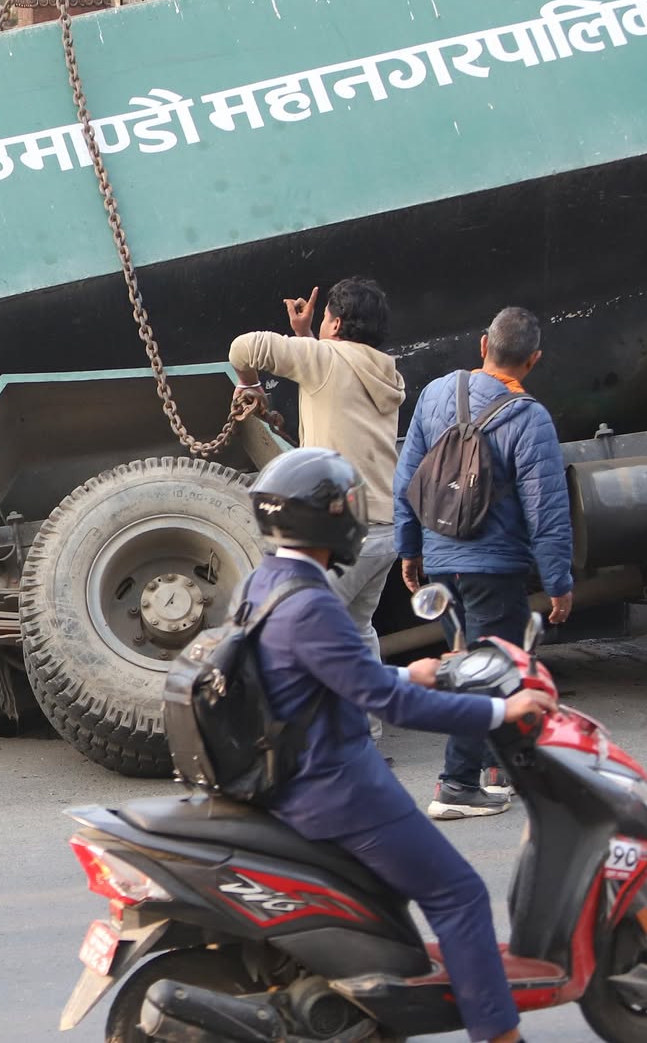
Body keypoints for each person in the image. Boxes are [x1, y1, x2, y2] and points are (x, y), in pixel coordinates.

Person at [237, 447, 554, 1043]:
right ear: (324, 521)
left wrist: (415, 671)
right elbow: (391, 707)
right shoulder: (312, 605)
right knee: (458, 893)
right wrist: (500, 709)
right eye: (346, 506)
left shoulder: (264, 585)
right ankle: (499, 1035)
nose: (355, 516)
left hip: (294, 775)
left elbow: (338, 680)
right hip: (337, 789)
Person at [395, 306, 574, 820]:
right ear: (533, 360)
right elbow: (547, 509)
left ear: (482, 346)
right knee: (482, 672)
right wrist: (558, 580)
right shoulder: (529, 417)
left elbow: (408, 478)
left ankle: (501, 770)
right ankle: (455, 784)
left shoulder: (435, 394)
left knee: (483, 664)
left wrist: (411, 549)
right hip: (492, 566)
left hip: (442, 558)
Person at [229, 278, 405, 663]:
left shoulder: (323, 360)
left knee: (303, 636)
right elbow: (331, 378)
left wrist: (251, 385)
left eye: (326, 318)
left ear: (338, 324)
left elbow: (242, 347)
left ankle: (317, 722)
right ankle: (366, 724)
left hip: (343, 533)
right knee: (357, 631)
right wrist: (306, 335)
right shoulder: (384, 373)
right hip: (385, 531)